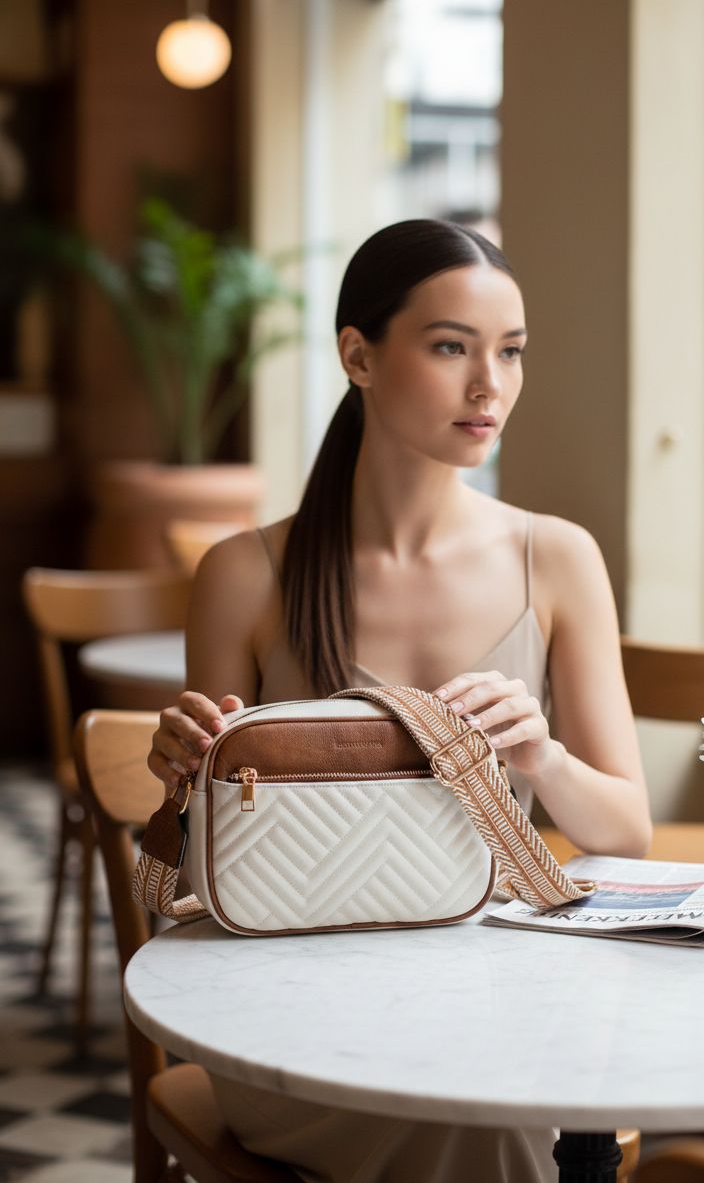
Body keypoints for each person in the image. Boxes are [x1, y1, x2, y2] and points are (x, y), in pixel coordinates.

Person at [148, 218, 651, 1183]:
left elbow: (625, 828)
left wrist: (541, 756)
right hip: (298, 1009)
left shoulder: (558, 558)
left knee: (501, 1096)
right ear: (358, 355)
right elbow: (194, 874)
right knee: (488, 1118)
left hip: (501, 989)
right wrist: (181, 774)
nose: (488, 385)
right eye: (451, 346)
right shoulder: (246, 574)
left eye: (511, 353)